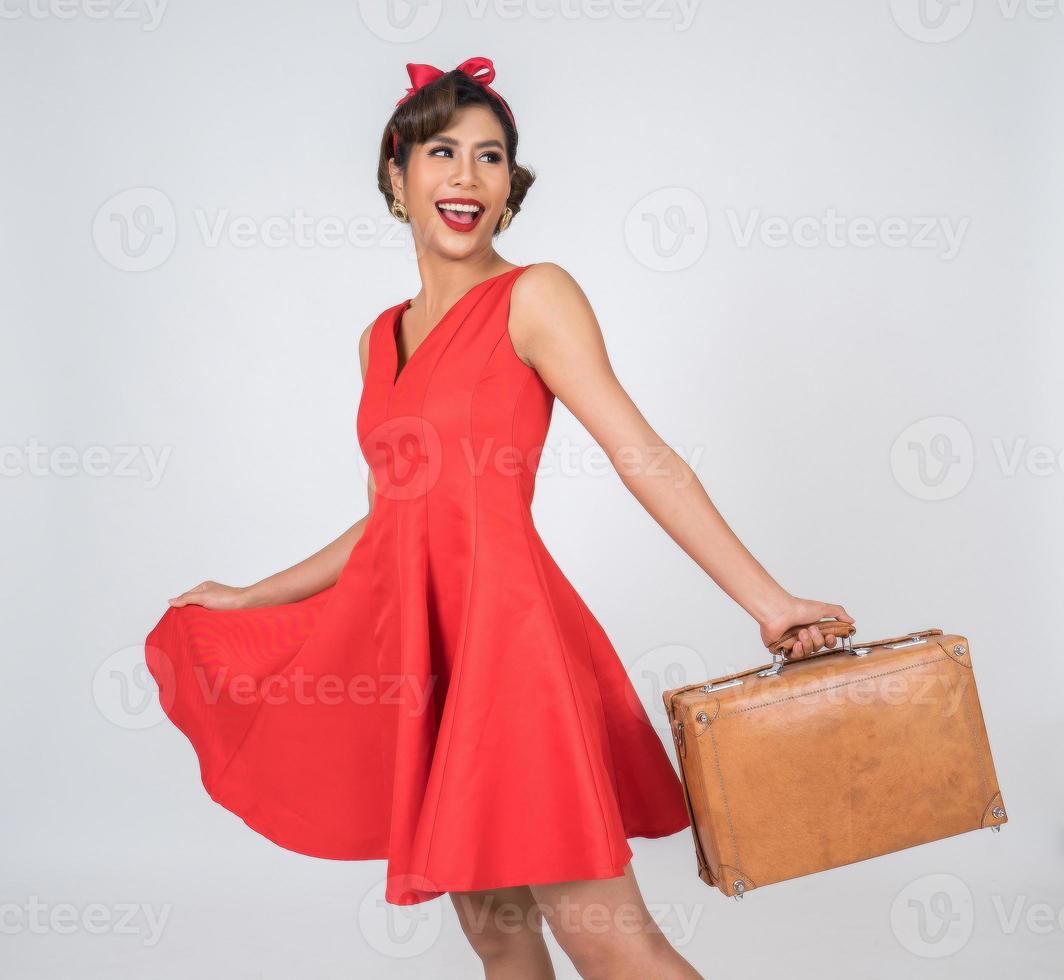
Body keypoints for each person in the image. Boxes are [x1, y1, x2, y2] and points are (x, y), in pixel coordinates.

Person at [146, 56, 853, 979]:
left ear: (509, 186)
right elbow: (388, 521)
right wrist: (251, 596)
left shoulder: (534, 296)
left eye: (490, 158)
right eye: (443, 152)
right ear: (397, 172)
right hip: (422, 661)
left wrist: (768, 601)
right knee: (500, 937)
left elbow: (645, 458)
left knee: (608, 940)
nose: (467, 178)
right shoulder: (377, 337)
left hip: (510, 650)